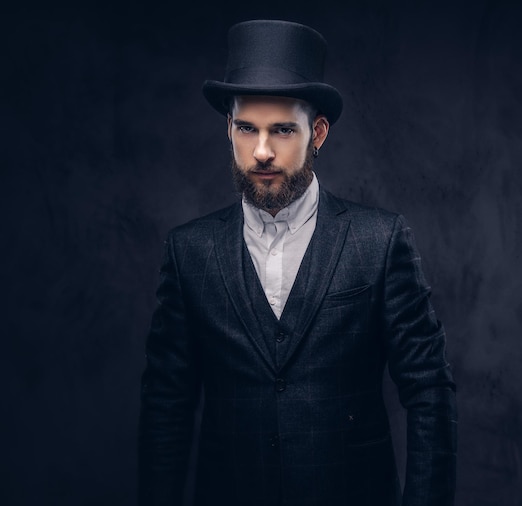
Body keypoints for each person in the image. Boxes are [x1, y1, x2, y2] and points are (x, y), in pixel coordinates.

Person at [138, 19, 457, 506]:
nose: (262, 151)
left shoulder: (380, 239)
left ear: (318, 133)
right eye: (247, 128)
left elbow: (430, 389)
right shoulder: (190, 251)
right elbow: (167, 404)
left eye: (283, 130)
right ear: (229, 129)